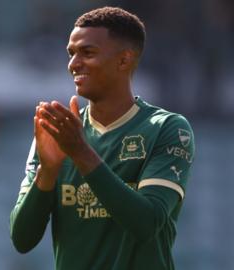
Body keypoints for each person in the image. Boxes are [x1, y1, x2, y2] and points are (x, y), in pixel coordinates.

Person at [10, 7, 195, 270]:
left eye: (87, 53)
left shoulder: (166, 128)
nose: (73, 64)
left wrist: (80, 152)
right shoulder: (59, 134)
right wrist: (48, 171)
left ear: (124, 60)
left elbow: (147, 223)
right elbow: (22, 239)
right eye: (71, 54)